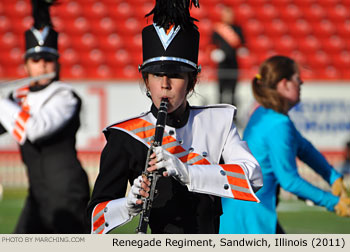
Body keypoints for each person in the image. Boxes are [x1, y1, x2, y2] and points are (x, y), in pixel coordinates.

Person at [87, 0, 263, 234]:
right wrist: (128, 205)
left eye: (176, 75)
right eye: (157, 75)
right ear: (146, 80)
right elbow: (94, 218)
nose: (165, 85)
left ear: (192, 82)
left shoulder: (218, 123)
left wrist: (190, 173)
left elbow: (253, 177)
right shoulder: (126, 137)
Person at [219, 55, 350, 234]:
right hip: (250, 219)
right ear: (284, 84)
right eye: (297, 79)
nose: (301, 83)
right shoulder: (278, 124)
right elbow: (290, 181)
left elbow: (304, 148)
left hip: (241, 211)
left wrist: (333, 177)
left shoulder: (265, 113)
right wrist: (333, 202)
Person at [0, 0, 90, 233]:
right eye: (36, 61)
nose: (42, 67)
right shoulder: (16, 97)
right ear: (27, 65)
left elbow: (35, 129)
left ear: (57, 63)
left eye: (48, 60)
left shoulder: (65, 96)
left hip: (67, 197)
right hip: (37, 197)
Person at [211, 5, 245, 106]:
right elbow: (212, 44)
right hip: (222, 64)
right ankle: (219, 108)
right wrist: (215, 52)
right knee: (221, 90)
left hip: (233, 62)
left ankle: (234, 113)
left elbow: (242, 43)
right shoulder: (218, 29)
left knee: (233, 90)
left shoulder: (238, 29)